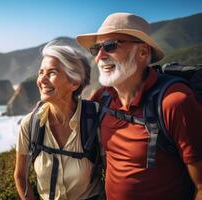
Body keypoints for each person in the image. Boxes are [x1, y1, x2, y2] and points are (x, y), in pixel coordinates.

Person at [76, 12, 202, 200]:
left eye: (110, 46)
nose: (100, 56)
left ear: (143, 52)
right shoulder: (102, 98)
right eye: (96, 48)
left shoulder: (174, 103)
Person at [14, 41, 104, 200]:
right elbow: (20, 176)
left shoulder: (95, 117)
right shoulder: (29, 124)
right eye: (41, 72)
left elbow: (113, 172)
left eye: (52, 73)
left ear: (74, 82)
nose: (42, 80)